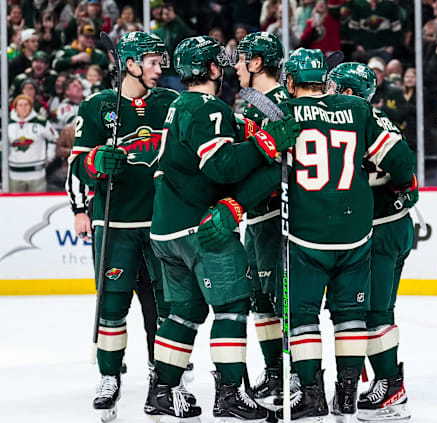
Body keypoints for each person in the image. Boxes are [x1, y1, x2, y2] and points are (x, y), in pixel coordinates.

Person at [146, 35, 298, 421]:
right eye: (221, 63)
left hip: (166, 229)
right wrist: (264, 144)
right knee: (231, 307)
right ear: (213, 69)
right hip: (201, 227)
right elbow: (223, 167)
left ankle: (161, 392)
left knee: (183, 311)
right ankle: (229, 395)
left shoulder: (179, 103)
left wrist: (250, 134)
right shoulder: (207, 106)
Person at [262, 48, 416, 421]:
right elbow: (405, 173)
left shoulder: (307, 114)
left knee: (356, 312)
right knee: (360, 312)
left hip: (368, 228)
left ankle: (387, 383)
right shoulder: (367, 117)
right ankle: (350, 392)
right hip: (379, 226)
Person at [67, 31, 176, 420]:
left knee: (163, 307)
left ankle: (161, 373)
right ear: (129, 63)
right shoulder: (98, 106)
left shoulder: (171, 102)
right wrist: (96, 161)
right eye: (151, 61)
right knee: (112, 305)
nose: (159, 68)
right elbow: (77, 166)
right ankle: (109, 376)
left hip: (163, 225)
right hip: (114, 224)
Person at [327, 61, 415, 422]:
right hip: (393, 224)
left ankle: (390, 388)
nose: (327, 93)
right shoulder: (376, 118)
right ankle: (385, 380)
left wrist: (401, 185)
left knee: (374, 311)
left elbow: (403, 166)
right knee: (375, 309)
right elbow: (408, 177)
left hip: (380, 229)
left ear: (348, 93)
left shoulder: (357, 121)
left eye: (334, 88)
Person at [234, 31, 290, 408]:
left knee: (281, 299)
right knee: (260, 300)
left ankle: (295, 378)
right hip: (256, 218)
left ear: (256, 63)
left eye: (241, 59)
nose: (236, 66)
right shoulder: (253, 105)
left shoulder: (281, 103)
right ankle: (274, 373)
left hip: (277, 216)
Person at [7, 94, 59, 193]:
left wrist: (49, 156)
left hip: (37, 174)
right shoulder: (8, 124)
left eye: (26, 104)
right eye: (20, 105)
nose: (23, 108)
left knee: (38, 205)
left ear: (31, 106)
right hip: (14, 174)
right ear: (15, 107)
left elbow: (54, 138)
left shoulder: (41, 123)